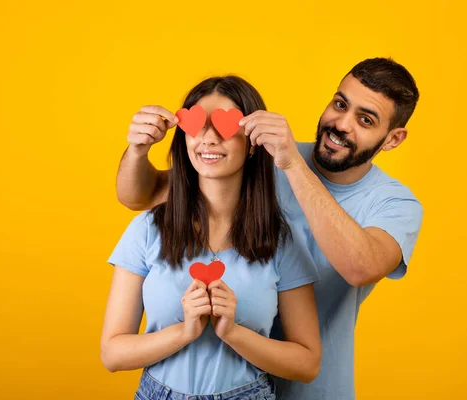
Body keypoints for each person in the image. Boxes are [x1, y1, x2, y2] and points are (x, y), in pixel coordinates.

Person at [115, 58, 424, 399]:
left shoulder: (394, 204)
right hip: (224, 377)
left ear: (393, 139)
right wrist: (137, 150)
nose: (342, 124)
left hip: (312, 389)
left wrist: (291, 164)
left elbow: (361, 267)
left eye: (365, 119)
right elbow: (144, 195)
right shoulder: (261, 160)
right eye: (340, 104)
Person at [101, 76, 322, 400]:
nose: (207, 137)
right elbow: (112, 354)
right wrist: (185, 331)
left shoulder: (280, 240)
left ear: (252, 144)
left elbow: (307, 363)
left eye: (224, 126)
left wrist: (232, 332)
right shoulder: (147, 229)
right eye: (196, 124)